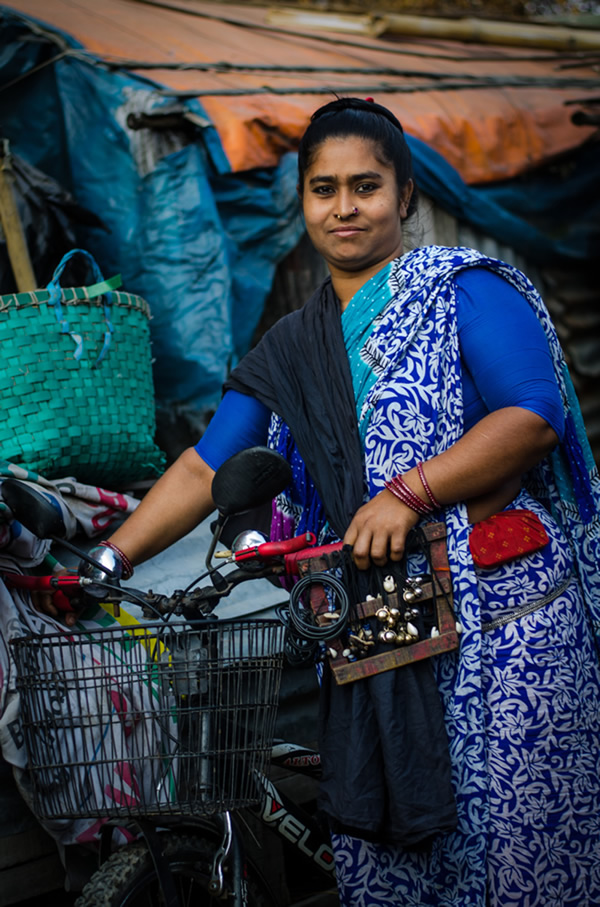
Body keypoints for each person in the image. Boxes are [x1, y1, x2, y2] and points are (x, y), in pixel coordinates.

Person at [56, 98, 600, 905]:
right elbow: (211, 465)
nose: (344, 207)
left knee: (514, 856)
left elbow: (530, 417)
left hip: (503, 632)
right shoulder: (290, 345)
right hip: (380, 623)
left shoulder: (463, 291)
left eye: (366, 186)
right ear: (304, 201)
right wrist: (108, 557)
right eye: (323, 188)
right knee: (398, 864)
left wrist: (406, 495)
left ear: (405, 195)